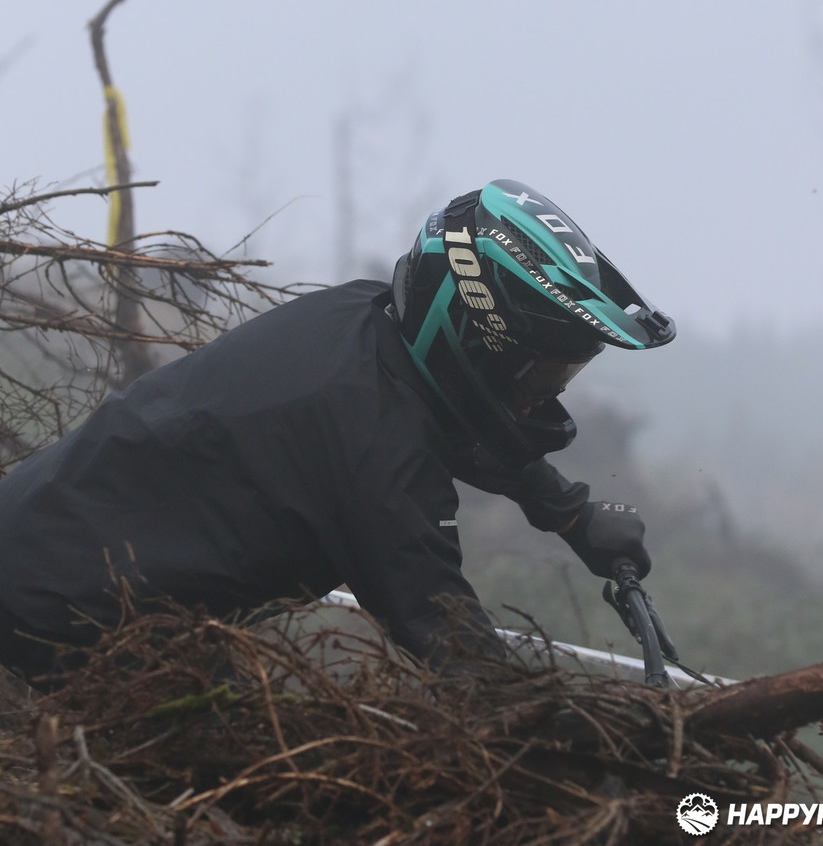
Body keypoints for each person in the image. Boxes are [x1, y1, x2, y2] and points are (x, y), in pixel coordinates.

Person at [0, 179, 675, 681]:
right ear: (479, 340)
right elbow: (457, 648)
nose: (537, 402)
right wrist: (596, 739)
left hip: (50, 557)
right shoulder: (379, 461)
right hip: (56, 623)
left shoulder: (364, 320)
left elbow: (447, 415)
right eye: (536, 377)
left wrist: (566, 512)